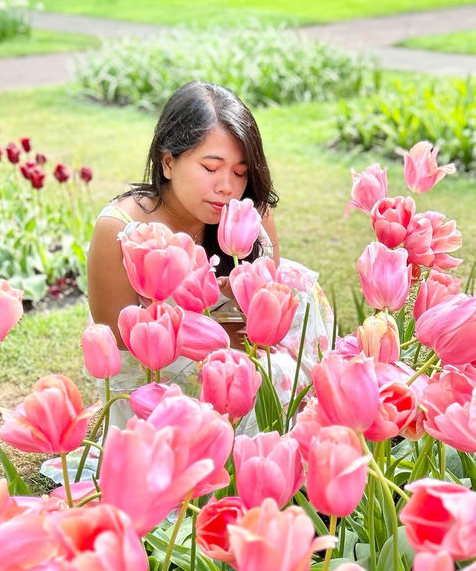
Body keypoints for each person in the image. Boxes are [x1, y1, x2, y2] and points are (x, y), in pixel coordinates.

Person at [86, 80, 334, 429]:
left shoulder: (249, 212)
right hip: (161, 373)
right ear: (168, 162)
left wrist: (243, 311)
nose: (227, 187)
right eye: (211, 168)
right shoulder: (122, 228)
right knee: (239, 379)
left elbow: (269, 298)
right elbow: (115, 335)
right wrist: (208, 333)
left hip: (246, 350)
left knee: (298, 298)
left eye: (240, 172)